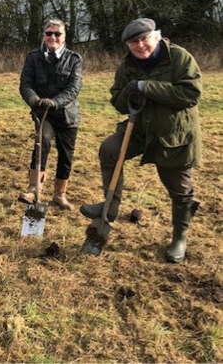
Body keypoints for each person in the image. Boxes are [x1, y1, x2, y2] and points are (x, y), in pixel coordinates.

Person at [79, 19, 201, 263]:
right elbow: (118, 102)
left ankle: (180, 237)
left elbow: (190, 94)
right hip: (140, 129)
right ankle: (110, 208)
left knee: (179, 189)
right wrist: (130, 91)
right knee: (110, 149)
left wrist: (147, 87)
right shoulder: (127, 66)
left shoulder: (178, 57)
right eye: (134, 42)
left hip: (172, 134)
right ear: (128, 45)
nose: (140, 45)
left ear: (155, 36)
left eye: (144, 38)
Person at [17, 19, 82, 211]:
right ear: (43, 35)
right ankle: (34, 189)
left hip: (68, 116)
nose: (52, 37)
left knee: (66, 155)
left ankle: (60, 194)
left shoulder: (74, 59)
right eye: (49, 33)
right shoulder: (33, 57)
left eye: (57, 34)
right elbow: (25, 84)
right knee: (41, 143)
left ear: (64, 37)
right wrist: (34, 100)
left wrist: (54, 102)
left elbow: (73, 88)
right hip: (43, 114)